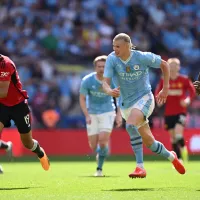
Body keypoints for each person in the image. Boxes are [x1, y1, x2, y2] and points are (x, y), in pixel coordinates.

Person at [102, 33, 186, 178]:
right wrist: (109, 90)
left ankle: (140, 167)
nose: (115, 49)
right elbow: (105, 82)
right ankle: (172, 157)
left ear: (127, 46)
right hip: (125, 104)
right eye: (113, 46)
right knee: (150, 143)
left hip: (144, 98)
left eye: (118, 46)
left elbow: (164, 64)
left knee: (130, 125)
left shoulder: (141, 57)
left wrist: (165, 88)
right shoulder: (112, 59)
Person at [0, 54, 50, 171]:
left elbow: (3, 92)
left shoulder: (5, 64)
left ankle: (40, 152)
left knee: (27, 143)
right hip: (1, 105)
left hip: (18, 105)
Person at [79, 55, 122, 177]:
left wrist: (119, 115)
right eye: (99, 66)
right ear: (95, 67)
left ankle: (99, 169)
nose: (102, 69)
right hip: (92, 113)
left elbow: (119, 98)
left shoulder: (112, 80)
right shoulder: (87, 80)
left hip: (108, 112)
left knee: (102, 141)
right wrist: (86, 115)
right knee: (93, 146)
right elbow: (82, 98)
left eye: (104, 66)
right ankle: (102, 151)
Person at [155, 58, 196, 162]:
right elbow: (157, 93)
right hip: (168, 113)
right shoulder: (164, 80)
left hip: (181, 111)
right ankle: (179, 159)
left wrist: (187, 100)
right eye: (171, 65)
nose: (173, 67)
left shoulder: (184, 79)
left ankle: (183, 150)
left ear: (179, 67)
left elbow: (192, 91)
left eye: (175, 65)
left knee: (178, 134)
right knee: (173, 138)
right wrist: (159, 100)